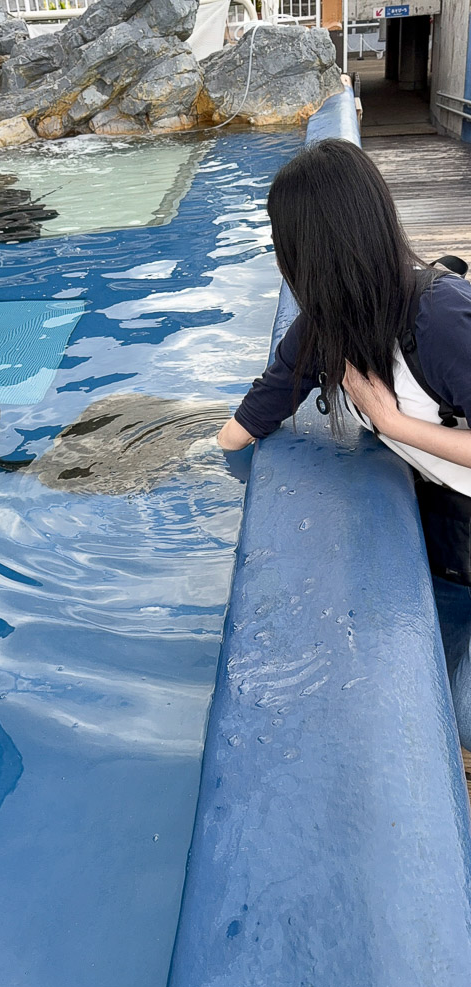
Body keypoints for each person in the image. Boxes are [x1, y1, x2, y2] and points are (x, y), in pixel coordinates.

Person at [216, 137, 471, 754]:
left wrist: (392, 420)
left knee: (462, 721)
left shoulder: (440, 319)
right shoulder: (325, 328)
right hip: (447, 533)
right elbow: (245, 427)